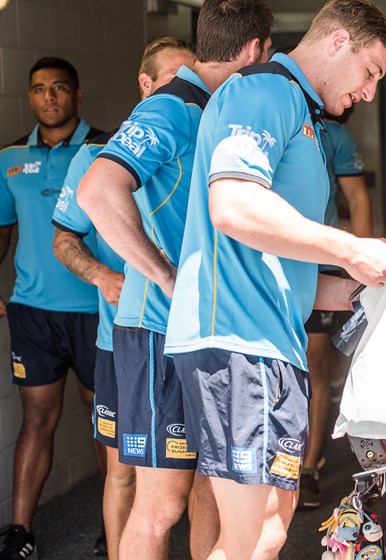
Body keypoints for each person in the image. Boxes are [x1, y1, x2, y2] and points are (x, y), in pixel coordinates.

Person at [162, 0, 386, 557]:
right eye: (370, 71)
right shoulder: (265, 90)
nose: (370, 93)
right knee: (254, 540)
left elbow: (282, 267)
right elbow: (233, 205)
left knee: (266, 531)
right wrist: (350, 248)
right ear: (337, 41)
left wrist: (370, 286)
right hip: (240, 343)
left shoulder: (299, 110)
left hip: (267, 343)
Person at [77, 3, 274, 559]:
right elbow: (97, 191)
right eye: (267, 55)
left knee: (213, 492)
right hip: (159, 329)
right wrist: (164, 275)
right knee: (161, 506)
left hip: (210, 329)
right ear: (254, 50)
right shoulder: (170, 105)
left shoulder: (215, 109)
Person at [51, 37, 195, 560]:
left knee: (196, 481)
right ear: (146, 84)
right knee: (125, 474)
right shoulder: (96, 155)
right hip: (124, 339)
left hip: (193, 334)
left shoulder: (204, 142)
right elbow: (64, 239)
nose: (188, 91)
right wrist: (103, 276)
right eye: (176, 80)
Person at [0, 57, 103, 560]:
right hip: (33, 312)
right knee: (37, 420)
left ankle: (114, 526)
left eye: (59, 87)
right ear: (30, 97)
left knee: (105, 421)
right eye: (39, 89)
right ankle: (20, 532)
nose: (49, 97)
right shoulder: (9, 158)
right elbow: (2, 231)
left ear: (77, 94)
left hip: (96, 309)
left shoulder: (104, 148)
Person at [300, 112, 373, 509]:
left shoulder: (336, 135)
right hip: (269, 260)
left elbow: (358, 198)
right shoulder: (270, 116)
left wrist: (361, 264)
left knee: (313, 362)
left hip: (321, 263)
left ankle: (309, 467)